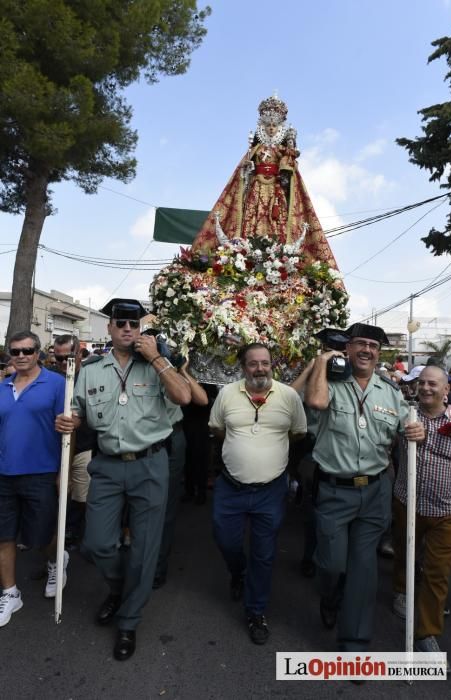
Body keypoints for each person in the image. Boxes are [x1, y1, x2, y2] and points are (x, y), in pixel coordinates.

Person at [56, 299, 191, 661]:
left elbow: (184, 397)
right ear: (110, 328)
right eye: (121, 323)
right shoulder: (92, 368)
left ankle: (129, 620)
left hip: (150, 464)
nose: (127, 329)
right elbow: (80, 410)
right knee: (97, 543)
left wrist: (158, 358)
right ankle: (119, 588)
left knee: (145, 547)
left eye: (134, 324)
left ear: (141, 329)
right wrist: (72, 421)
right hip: (108, 465)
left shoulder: (158, 364)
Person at [304, 323, 424, 653]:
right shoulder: (328, 381)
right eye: (360, 344)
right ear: (348, 347)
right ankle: (330, 596)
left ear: (378, 352)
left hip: (374, 491)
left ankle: (354, 640)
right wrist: (322, 361)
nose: (367, 350)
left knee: (364, 569)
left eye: (373, 345)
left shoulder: (390, 391)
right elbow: (314, 402)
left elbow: (409, 425)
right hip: (334, 491)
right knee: (332, 565)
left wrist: (417, 432)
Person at [209, 343, 307, 645]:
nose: (260, 369)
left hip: (270, 491)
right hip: (231, 488)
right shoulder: (226, 393)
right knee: (226, 540)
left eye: (265, 363)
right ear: (243, 367)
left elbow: (298, 432)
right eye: (253, 364)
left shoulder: (289, 397)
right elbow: (217, 429)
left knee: (263, 555)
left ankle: (255, 611)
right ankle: (238, 572)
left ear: (272, 365)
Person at [191, 94, 339, 268]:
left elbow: (290, 173)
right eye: (267, 125)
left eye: (274, 125)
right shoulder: (255, 150)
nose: (271, 129)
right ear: (262, 126)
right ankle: (248, 253)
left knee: (278, 221)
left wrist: (287, 164)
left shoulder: (283, 150)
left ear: (279, 128)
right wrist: (247, 170)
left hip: (276, 192)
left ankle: (277, 256)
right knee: (251, 217)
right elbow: (243, 173)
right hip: (256, 188)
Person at [392, 366, 451, 668]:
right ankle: (400, 590)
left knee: (437, 574)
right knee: (404, 554)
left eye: (432, 383)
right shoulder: (404, 416)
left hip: (446, 510)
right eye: (421, 383)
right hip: (406, 502)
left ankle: (426, 633)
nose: (425, 388)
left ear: (446, 389)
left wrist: (427, 440)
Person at [0, 331, 66, 627]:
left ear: (39, 352)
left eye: (28, 350)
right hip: (3, 474)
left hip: (40, 472)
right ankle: (11, 593)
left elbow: (67, 432)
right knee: (4, 535)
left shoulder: (56, 383)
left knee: (41, 536)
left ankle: (56, 560)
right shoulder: (2, 387)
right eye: (16, 351)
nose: (22, 355)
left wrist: (63, 473)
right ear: (9, 355)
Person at [153, 360, 209, 589]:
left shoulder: (174, 373)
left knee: (165, 506)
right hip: (142, 441)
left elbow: (201, 400)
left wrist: (182, 371)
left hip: (170, 439)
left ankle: (157, 565)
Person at [53, 334, 97, 545]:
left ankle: (84, 533)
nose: (63, 363)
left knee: (82, 494)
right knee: (60, 492)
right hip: (56, 447)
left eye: (68, 357)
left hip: (84, 446)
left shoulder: (92, 375)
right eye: (58, 358)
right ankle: (63, 532)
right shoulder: (52, 377)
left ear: (79, 354)